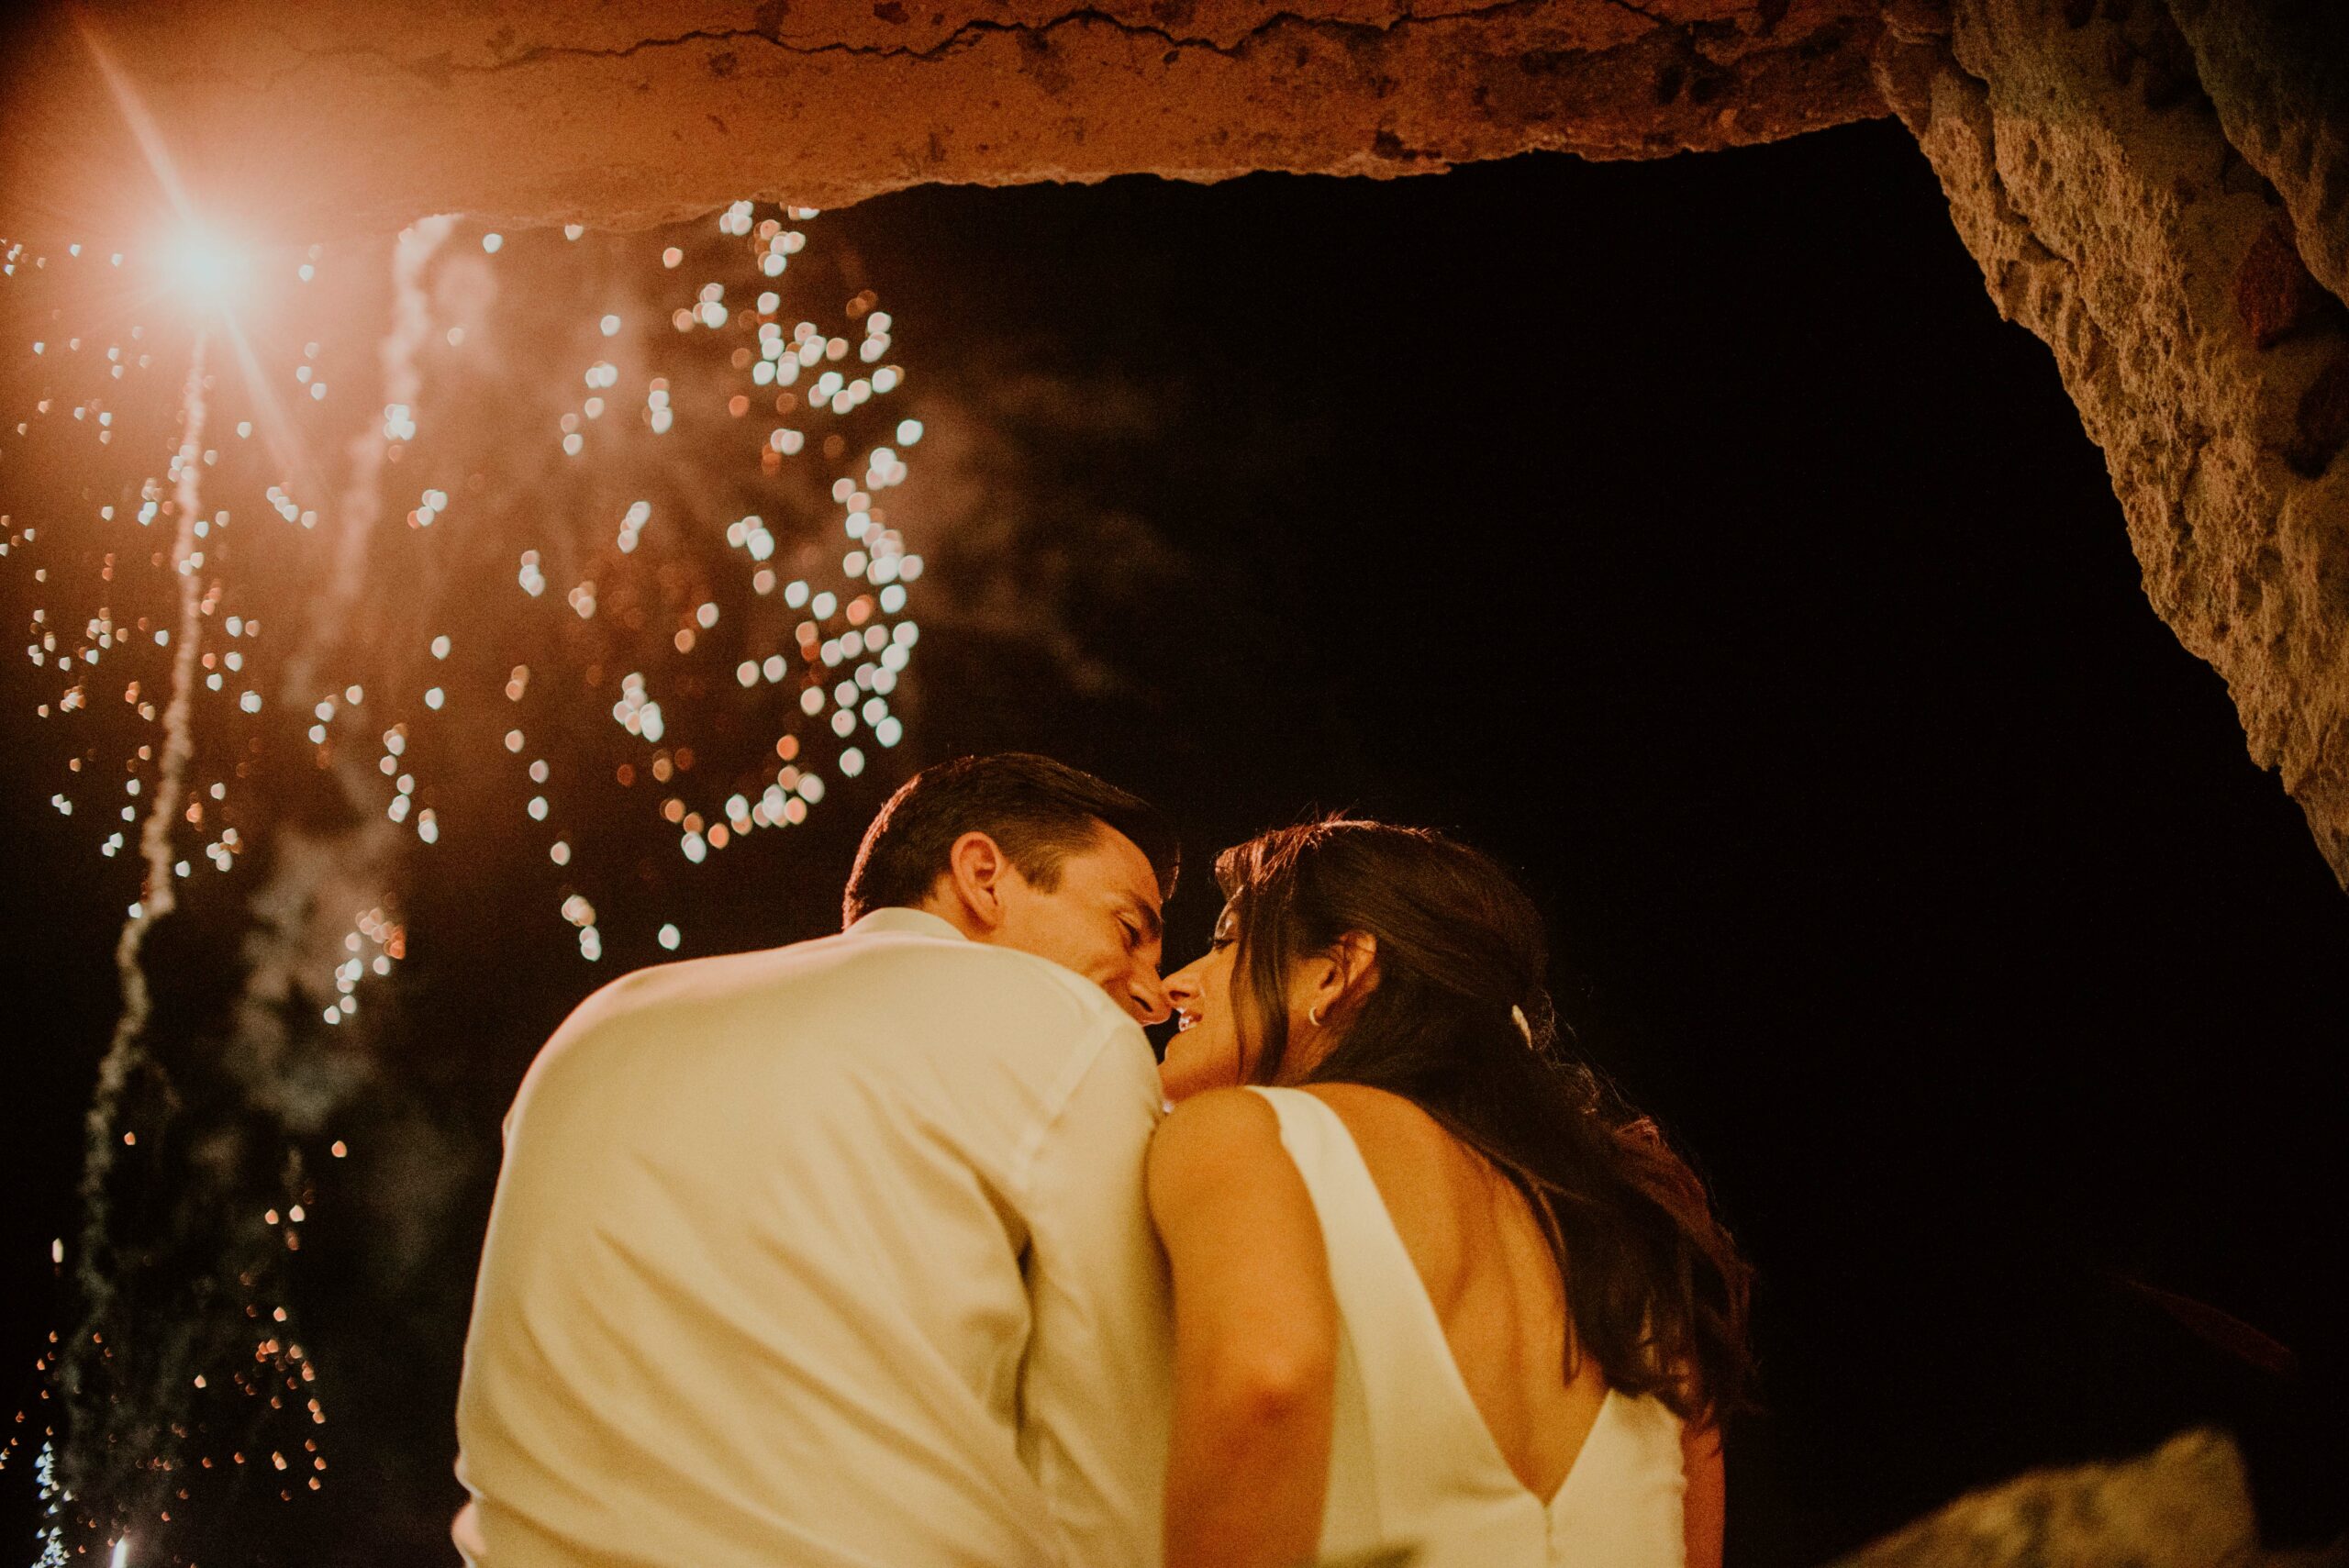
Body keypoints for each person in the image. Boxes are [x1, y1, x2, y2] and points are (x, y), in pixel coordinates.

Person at [452, 753, 1181, 1568]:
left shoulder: (598, 1023)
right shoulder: (1070, 1030)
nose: (1155, 994)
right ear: (983, 874)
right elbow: (1112, 1473)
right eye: (1128, 930)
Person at [1150, 819, 1753, 1568]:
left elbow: (1266, 1381)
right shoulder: (1632, 1221)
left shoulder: (1244, 1135)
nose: (1177, 979)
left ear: (1339, 969)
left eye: (1227, 939)